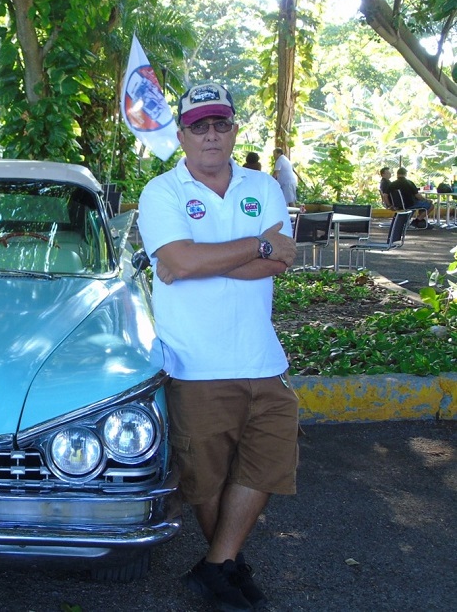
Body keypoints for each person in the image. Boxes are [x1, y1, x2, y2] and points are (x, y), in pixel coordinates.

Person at [137, 83, 299, 612]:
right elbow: (179, 263)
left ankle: (217, 564)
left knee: (264, 465)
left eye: (221, 124)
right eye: (199, 126)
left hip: (263, 358)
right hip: (194, 363)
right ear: (181, 133)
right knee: (203, 476)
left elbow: (280, 260)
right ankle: (227, 566)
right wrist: (254, 244)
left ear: (233, 130)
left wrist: (196, 259)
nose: (211, 135)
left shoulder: (264, 187)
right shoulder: (162, 191)